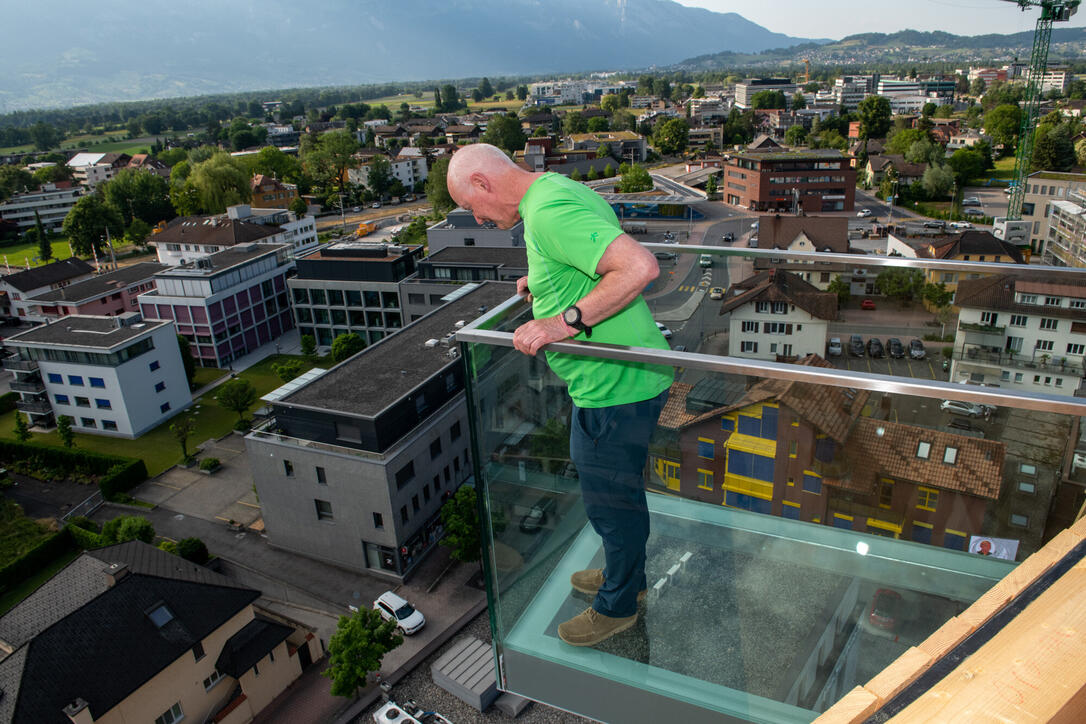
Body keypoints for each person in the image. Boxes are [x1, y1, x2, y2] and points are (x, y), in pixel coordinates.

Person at [447, 144, 673, 646]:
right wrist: (544, 283)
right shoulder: (555, 189)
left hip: (614, 388)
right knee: (621, 498)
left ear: (483, 183)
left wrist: (561, 321)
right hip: (628, 377)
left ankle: (619, 606)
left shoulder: (545, 213)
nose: (479, 220)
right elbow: (584, 254)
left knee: (611, 506)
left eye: (473, 207)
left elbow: (638, 266)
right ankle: (625, 574)